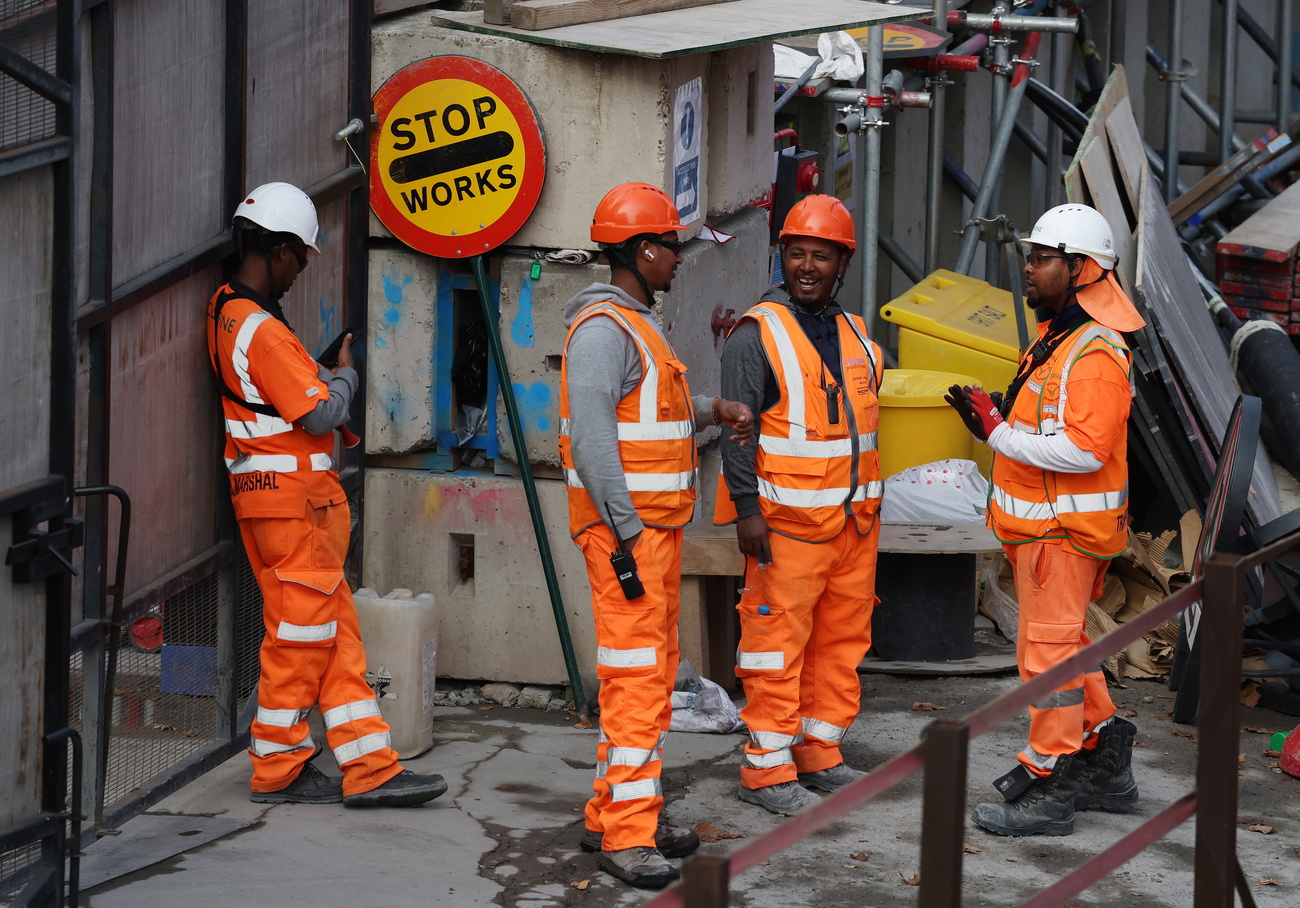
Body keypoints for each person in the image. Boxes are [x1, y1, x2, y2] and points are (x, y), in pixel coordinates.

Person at [208, 182, 447, 808]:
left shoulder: (227, 309)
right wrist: (344, 376)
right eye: (300, 258)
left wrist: (314, 371)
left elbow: (272, 395)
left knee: (334, 637)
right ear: (280, 249)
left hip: (275, 500)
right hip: (293, 505)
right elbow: (317, 416)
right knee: (298, 639)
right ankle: (279, 766)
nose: (299, 271)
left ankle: (370, 766)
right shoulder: (258, 326)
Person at [559, 182, 754, 889]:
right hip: (631, 541)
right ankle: (629, 838)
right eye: (672, 246)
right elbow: (592, 440)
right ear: (643, 251)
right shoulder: (606, 330)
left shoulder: (634, 325)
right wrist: (627, 533)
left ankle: (612, 814)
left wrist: (712, 408)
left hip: (648, 537)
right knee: (638, 686)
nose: (679, 258)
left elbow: (657, 414)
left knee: (640, 683)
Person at [945, 203, 1142, 837]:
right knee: (1069, 652)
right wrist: (1001, 419)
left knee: (1048, 664)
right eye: (1030, 256)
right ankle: (1106, 760)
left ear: (1083, 269)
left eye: (1042, 258)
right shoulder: (1058, 335)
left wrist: (997, 433)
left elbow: (1083, 450)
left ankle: (1050, 783)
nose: (1028, 268)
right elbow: (1049, 426)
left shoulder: (1094, 353)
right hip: (1046, 532)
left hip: (1062, 536)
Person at [715, 194, 884, 817]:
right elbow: (740, 432)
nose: (806, 266)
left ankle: (819, 752)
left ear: (843, 262)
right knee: (774, 647)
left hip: (852, 525)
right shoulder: (755, 336)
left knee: (839, 644)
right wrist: (746, 510)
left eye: (821, 255)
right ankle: (767, 770)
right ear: (780, 257)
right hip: (784, 528)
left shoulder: (854, 334)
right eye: (796, 253)